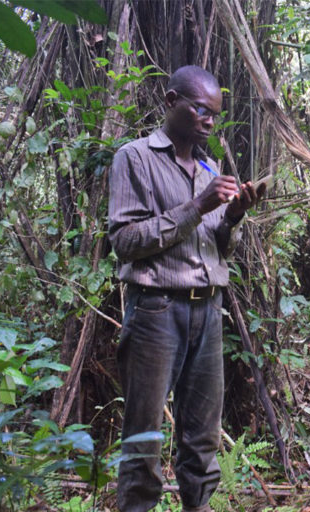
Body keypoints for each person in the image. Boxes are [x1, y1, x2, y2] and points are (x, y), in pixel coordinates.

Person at [108, 65, 264, 512]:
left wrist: (232, 217)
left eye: (214, 114)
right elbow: (125, 242)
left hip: (208, 313)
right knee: (144, 437)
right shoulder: (134, 158)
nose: (209, 122)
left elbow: (218, 248)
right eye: (201, 110)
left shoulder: (208, 168)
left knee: (202, 437)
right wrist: (198, 205)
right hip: (157, 311)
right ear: (171, 100)